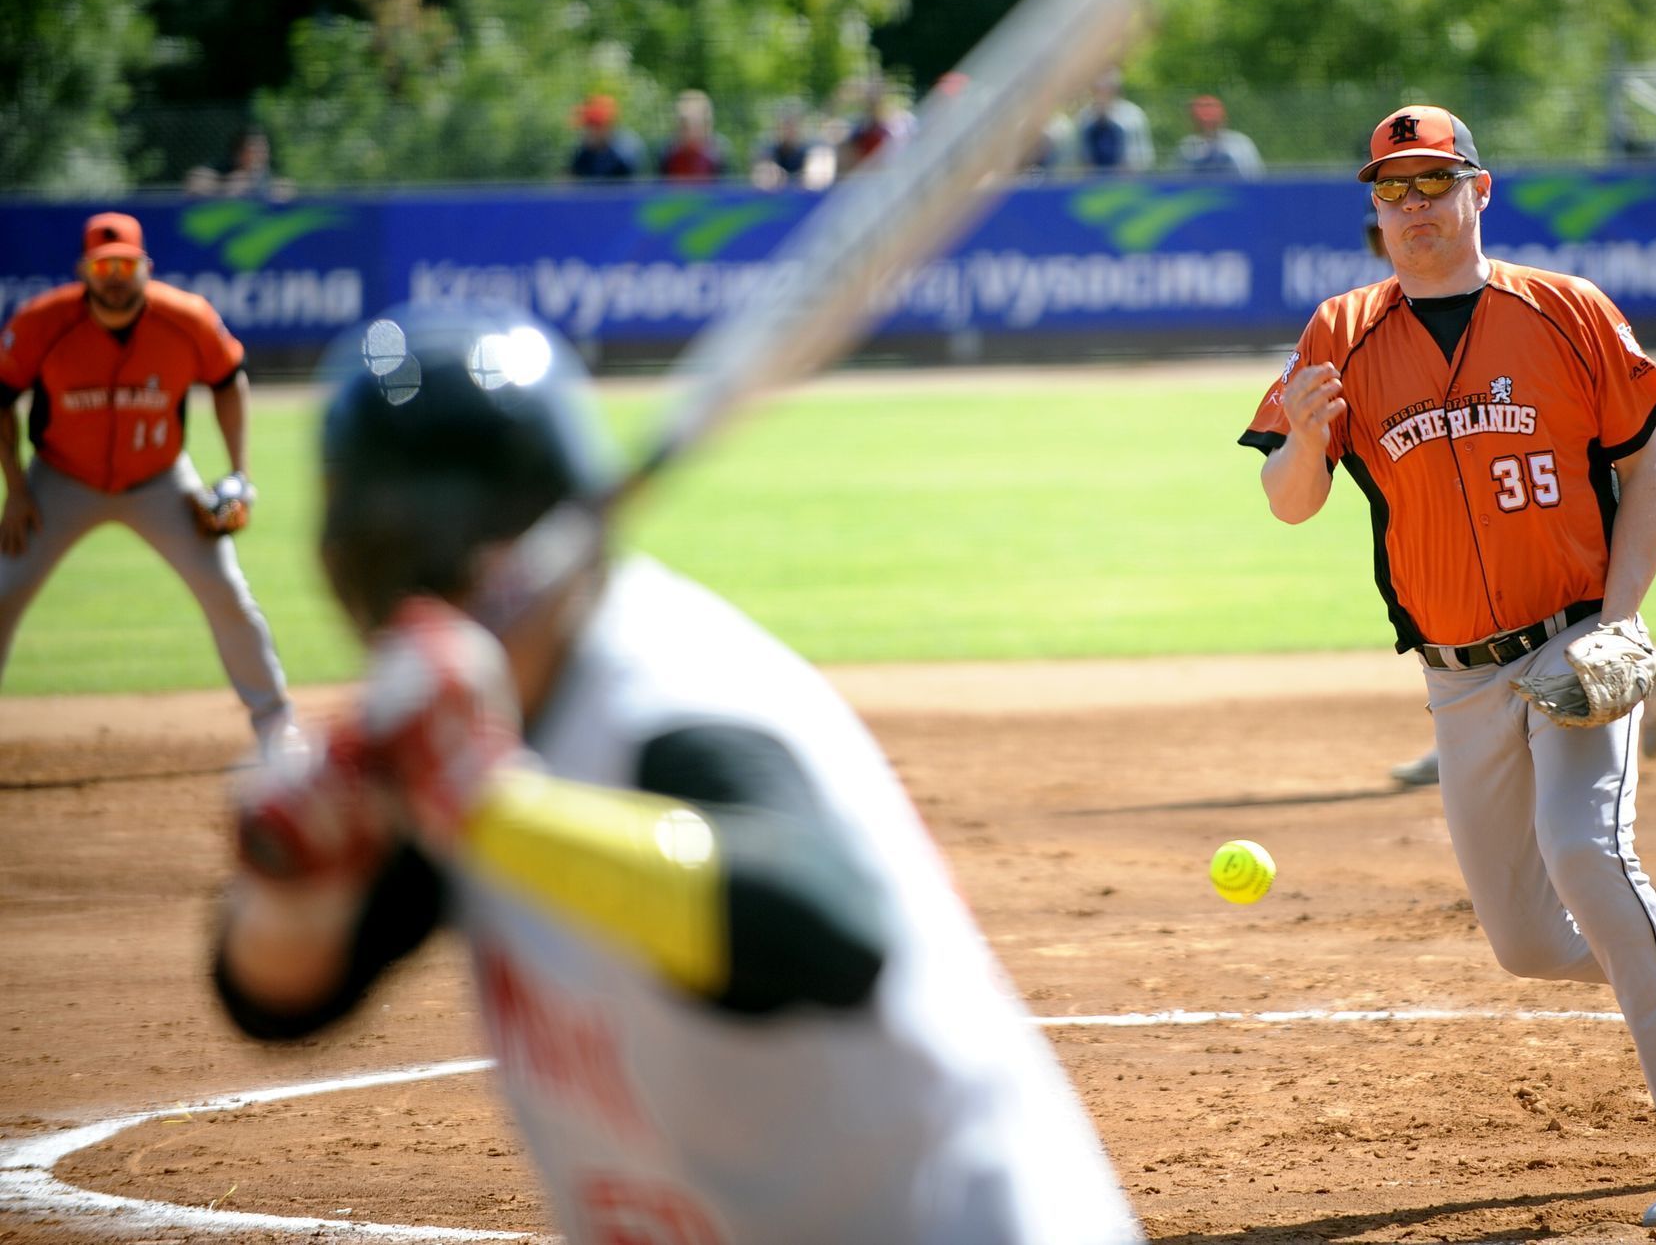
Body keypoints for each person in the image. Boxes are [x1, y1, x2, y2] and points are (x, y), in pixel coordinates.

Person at [210, 302, 1140, 1245]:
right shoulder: (465, 731)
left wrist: (490, 807)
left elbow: (824, 928)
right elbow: (279, 1002)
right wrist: (296, 881)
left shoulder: (671, 695)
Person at [1238, 106, 1656, 1226]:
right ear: (1372, 211)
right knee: (1530, 940)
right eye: (1391, 191)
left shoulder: (1563, 309)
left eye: (1433, 184)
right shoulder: (1340, 330)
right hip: (1456, 674)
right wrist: (1301, 436)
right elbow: (1290, 506)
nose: (1412, 209)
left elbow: (1647, 468)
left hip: (1573, 637)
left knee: (1585, 852)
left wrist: (1618, 623)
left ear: (1479, 192)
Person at [0, 212, 295, 754]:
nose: (115, 275)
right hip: (60, 478)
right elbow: (2, 399)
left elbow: (229, 381)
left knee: (226, 590)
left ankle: (278, 729)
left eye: (126, 264)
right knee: (4, 588)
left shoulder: (187, 318)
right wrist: (16, 490)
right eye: (103, 264)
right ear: (83, 270)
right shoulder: (43, 322)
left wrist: (238, 473)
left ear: (146, 267)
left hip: (160, 478)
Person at [184, 125, 295, 201]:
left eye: (263, 150)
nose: (259, 155)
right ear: (238, 153)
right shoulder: (224, 168)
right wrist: (224, 186)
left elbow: (286, 188)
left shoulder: (268, 177)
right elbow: (195, 180)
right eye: (253, 150)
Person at [1075, 69, 1154, 173]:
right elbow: (1077, 157)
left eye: (1107, 89)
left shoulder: (1133, 115)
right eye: (1097, 89)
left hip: (1127, 182)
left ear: (1116, 90)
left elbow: (1143, 156)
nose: (1102, 94)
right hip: (1091, 182)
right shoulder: (1084, 116)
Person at [750, 98, 835, 191]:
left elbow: (816, 183)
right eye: (785, 123)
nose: (790, 128)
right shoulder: (768, 145)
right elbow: (763, 180)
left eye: (794, 123)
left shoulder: (816, 146)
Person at [655, 89, 732, 182]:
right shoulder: (667, 153)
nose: (689, 131)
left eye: (696, 123)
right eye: (683, 125)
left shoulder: (720, 154)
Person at [1176, 95, 1263, 177]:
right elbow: (1176, 179)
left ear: (1222, 118)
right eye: (1201, 120)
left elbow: (1255, 177)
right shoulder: (1187, 146)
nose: (1207, 123)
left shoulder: (1240, 143)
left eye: (1212, 120)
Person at [567, 94, 648, 180]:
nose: (584, 132)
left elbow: (633, 188)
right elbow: (572, 179)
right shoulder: (586, 152)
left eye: (589, 127)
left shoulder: (624, 153)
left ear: (605, 127)